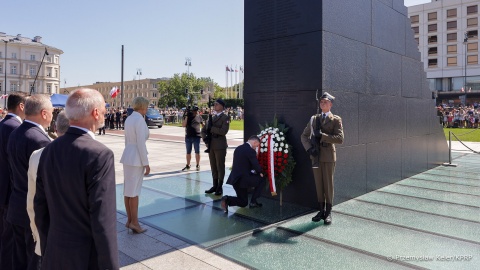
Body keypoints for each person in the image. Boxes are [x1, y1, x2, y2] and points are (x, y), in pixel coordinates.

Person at [34, 88, 119, 269]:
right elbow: (103, 220)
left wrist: (48, 247)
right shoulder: (100, 155)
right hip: (86, 258)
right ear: (95, 113)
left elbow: (40, 208)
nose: (104, 115)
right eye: (103, 111)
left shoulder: (49, 150)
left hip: (55, 253)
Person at [7, 94, 53, 270]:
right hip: (32, 212)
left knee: (18, 260)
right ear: (43, 113)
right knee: (34, 261)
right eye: (51, 111)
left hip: (16, 206)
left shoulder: (16, 133)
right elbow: (45, 183)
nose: (52, 115)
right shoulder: (39, 139)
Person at [26, 111, 69, 258]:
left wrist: (37, 235)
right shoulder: (91, 156)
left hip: (47, 235)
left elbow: (32, 202)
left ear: (56, 129)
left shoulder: (37, 155)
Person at [301, 92, 344, 225]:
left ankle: (328, 212)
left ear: (330, 104)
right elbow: (304, 136)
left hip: (328, 156)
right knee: (319, 184)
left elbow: (340, 139)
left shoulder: (336, 119)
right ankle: (321, 210)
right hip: (315, 155)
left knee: (328, 184)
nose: (322, 103)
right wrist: (309, 149)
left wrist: (323, 135)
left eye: (325, 102)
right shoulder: (314, 119)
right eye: (321, 102)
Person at [0, 92, 27, 269]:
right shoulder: (16, 129)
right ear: (21, 106)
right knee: (10, 239)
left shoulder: (2, 124)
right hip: (10, 192)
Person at [120, 96, 150, 234]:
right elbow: (141, 144)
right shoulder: (139, 120)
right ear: (143, 107)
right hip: (136, 158)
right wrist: (146, 163)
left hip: (128, 156)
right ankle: (135, 222)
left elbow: (127, 141)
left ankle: (129, 220)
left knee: (128, 191)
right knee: (134, 192)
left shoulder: (129, 118)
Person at [221, 135, 266, 213]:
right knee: (262, 179)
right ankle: (253, 201)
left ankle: (227, 199)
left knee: (243, 202)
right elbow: (255, 165)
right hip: (244, 180)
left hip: (235, 179)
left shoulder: (238, 148)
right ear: (254, 142)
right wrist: (261, 172)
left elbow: (243, 164)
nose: (256, 147)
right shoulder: (250, 151)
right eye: (257, 145)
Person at [201, 99, 230, 196]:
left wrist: (211, 129)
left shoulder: (225, 117)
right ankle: (214, 185)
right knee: (213, 166)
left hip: (220, 145)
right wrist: (205, 139)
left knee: (220, 166)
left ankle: (219, 187)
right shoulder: (211, 118)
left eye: (217, 104)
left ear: (221, 106)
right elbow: (203, 130)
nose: (215, 106)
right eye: (214, 104)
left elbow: (223, 131)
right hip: (211, 145)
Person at [181, 106, 203, 171]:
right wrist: (187, 116)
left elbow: (203, 124)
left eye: (195, 111)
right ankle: (188, 165)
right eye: (193, 111)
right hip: (188, 136)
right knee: (188, 152)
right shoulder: (188, 117)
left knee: (197, 151)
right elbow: (183, 125)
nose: (194, 112)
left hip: (197, 136)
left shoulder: (199, 117)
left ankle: (197, 164)